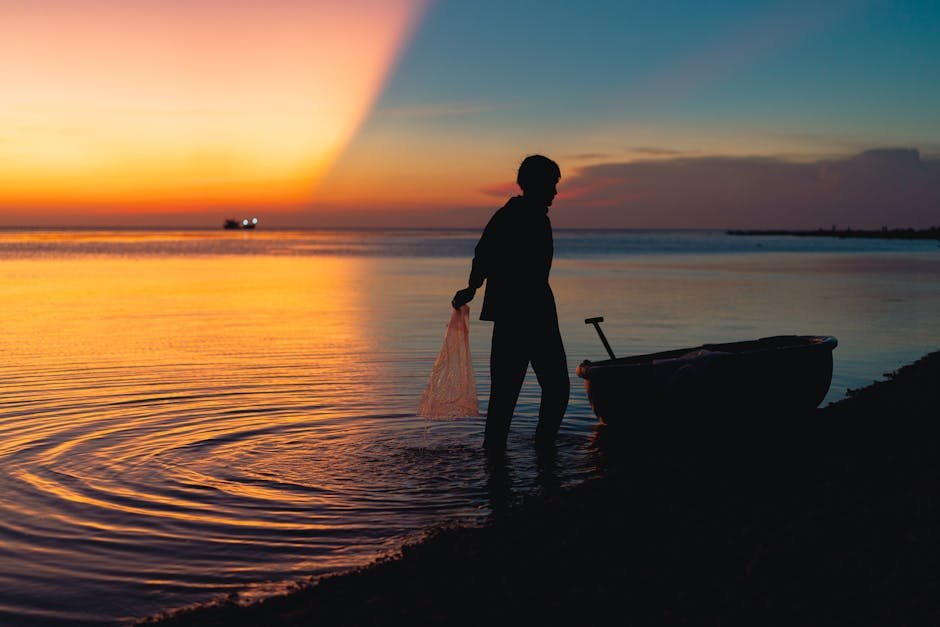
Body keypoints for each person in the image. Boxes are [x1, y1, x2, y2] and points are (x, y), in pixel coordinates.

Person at [452, 154, 569, 452]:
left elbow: (483, 254)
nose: (555, 192)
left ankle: (514, 456)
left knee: (510, 395)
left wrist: (473, 287)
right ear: (535, 184)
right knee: (552, 389)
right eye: (551, 184)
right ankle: (539, 451)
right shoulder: (516, 215)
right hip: (529, 315)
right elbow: (486, 254)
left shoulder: (517, 215)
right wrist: (472, 287)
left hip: (519, 314)